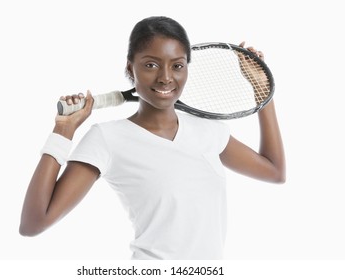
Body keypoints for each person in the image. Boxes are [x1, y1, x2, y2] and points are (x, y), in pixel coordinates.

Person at [19, 16, 286, 260]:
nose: (166, 78)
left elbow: (274, 172)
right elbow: (33, 223)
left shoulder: (207, 129)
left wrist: (261, 87)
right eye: (151, 65)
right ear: (130, 68)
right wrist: (64, 131)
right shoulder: (107, 138)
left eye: (177, 66)